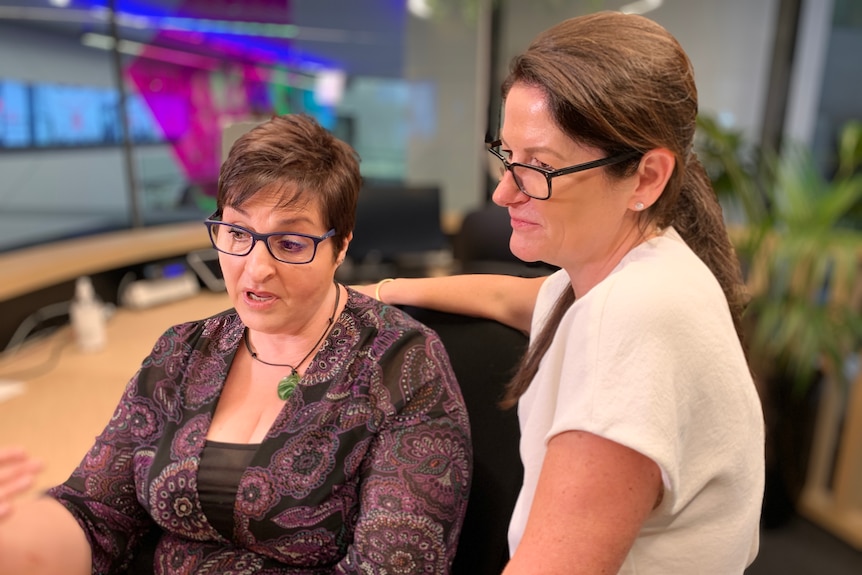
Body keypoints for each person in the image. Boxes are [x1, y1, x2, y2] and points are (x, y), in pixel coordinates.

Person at [356, 11, 765, 575]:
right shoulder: (649, 263)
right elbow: (512, 298)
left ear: (646, 178)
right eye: (508, 157)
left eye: (539, 168)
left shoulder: (634, 320)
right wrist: (372, 291)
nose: (503, 193)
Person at [0, 114, 472, 574]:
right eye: (237, 233)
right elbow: (93, 517)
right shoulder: (183, 351)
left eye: (289, 244)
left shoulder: (401, 363)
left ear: (341, 245)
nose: (255, 268)